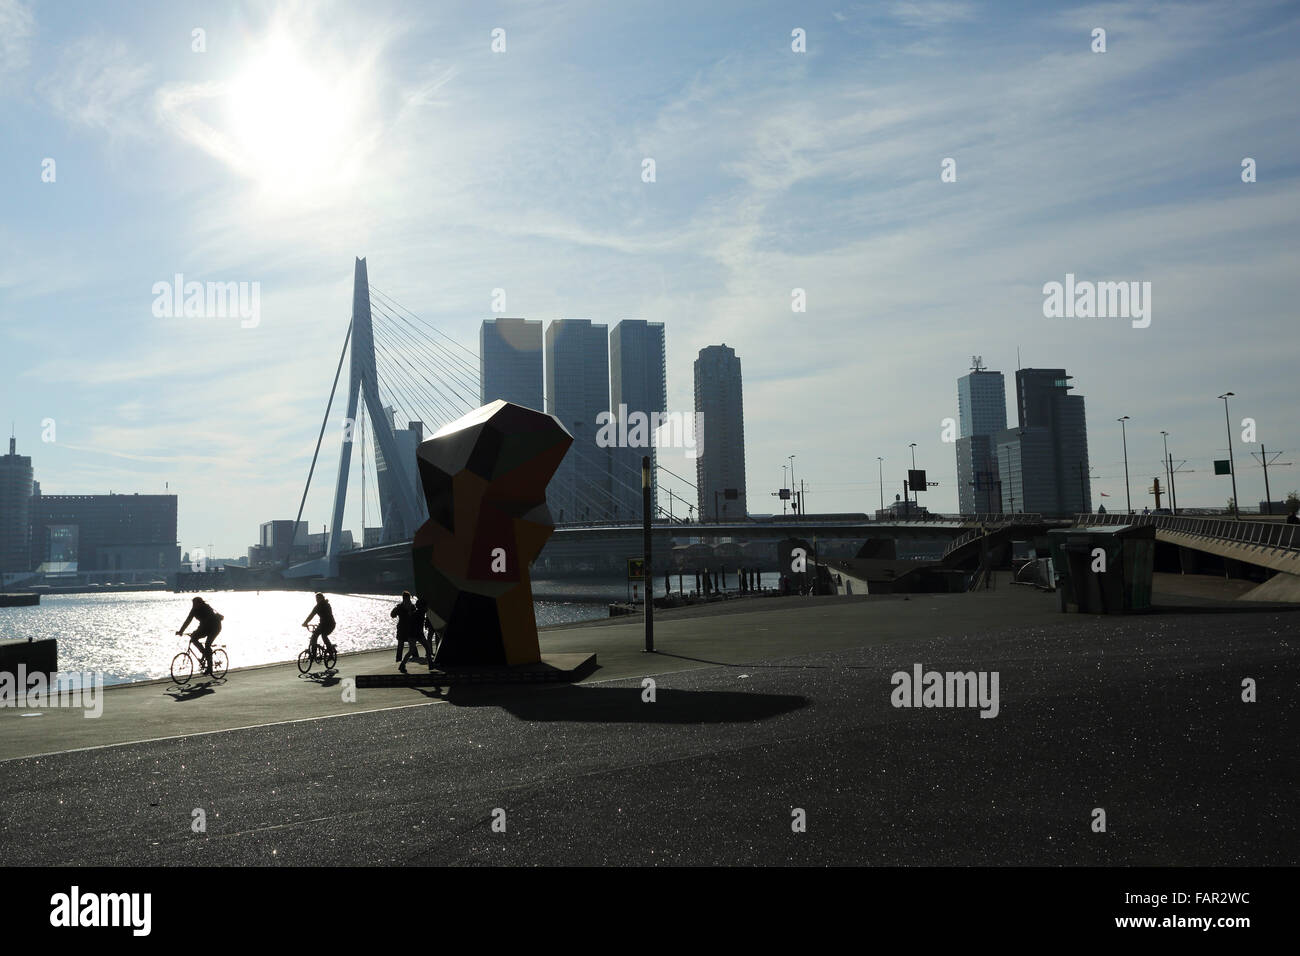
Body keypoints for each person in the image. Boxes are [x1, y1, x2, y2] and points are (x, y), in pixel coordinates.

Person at [176, 596, 222, 676]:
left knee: (207, 644)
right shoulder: (194, 610)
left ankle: (210, 668)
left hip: (215, 627)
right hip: (205, 627)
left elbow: (206, 622)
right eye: (193, 604)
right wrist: (181, 631)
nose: (193, 605)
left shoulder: (207, 608)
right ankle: (204, 652)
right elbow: (188, 620)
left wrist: (197, 631)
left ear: (200, 603)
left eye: (195, 604)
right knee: (193, 638)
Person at [390, 591, 423, 673]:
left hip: (403, 628)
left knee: (403, 645)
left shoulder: (401, 607)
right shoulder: (410, 607)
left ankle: (399, 660)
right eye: (408, 598)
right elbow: (393, 615)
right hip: (407, 628)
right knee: (410, 645)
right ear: (407, 598)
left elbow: (392, 615)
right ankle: (414, 658)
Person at [301, 592, 338, 664]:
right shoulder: (318, 606)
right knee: (314, 636)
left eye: (318, 598)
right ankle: (313, 655)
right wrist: (305, 623)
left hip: (330, 624)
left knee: (324, 635)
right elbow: (311, 615)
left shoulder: (326, 605)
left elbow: (324, 616)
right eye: (316, 599)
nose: (317, 600)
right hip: (322, 624)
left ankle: (330, 654)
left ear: (322, 598)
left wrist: (306, 623)